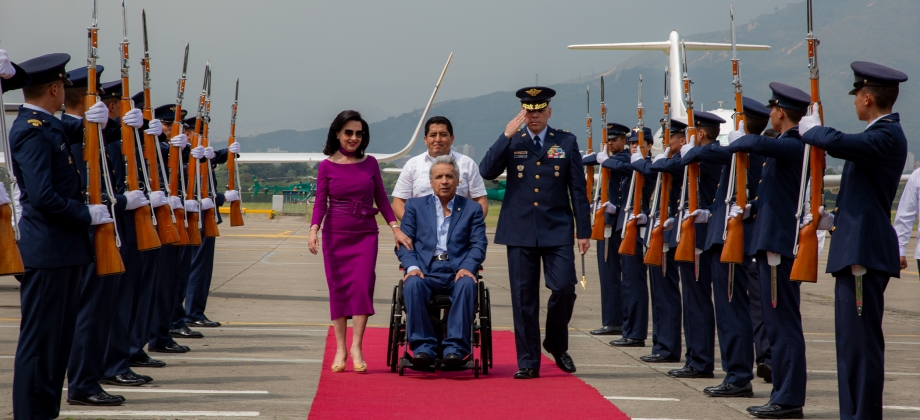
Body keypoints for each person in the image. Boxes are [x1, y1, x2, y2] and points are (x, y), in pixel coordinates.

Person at [799, 61, 908, 420]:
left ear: (866, 97)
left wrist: (814, 131)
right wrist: (835, 221)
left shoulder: (887, 134)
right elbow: (862, 194)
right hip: (854, 242)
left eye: (856, 97)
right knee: (850, 345)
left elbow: (839, 143)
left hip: (863, 251)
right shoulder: (879, 135)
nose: (855, 104)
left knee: (860, 346)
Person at [8, 52, 115, 418]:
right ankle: (29, 412)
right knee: (40, 343)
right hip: (47, 250)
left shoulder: (47, 124)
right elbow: (42, 196)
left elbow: (80, 131)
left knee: (56, 342)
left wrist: (105, 120)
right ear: (55, 88)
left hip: (63, 251)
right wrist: (86, 213)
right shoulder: (31, 130)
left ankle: (44, 410)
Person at [479, 87, 591, 379]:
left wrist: (584, 230)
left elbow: (577, 189)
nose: (534, 116)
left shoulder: (565, 141)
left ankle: (555, 342)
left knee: (565, 288)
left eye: (539, 110)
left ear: (549, 112)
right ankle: (528, 361)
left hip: (557, 229)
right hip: (519, 231)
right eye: (529, 111)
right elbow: (487, 171)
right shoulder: (513, 140)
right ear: (522, 113)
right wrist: (505, 135)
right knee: (523, 298)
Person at [726, 82, 808, 419]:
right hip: (769, 242)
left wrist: (738, 135)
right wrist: (752, 207)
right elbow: (775, 196)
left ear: (780, 112)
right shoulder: (784, 146)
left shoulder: (792, 143)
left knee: (782, 324)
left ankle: (788, 398)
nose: (771, 114)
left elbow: (752, 142)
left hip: (777, 246)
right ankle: (782, 394)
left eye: (774, 109)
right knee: (775, 325)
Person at [308, 110, 412, 372]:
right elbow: (321, 202)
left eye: (358, 133)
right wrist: (313, 230)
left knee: (363, 286)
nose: (354, 137)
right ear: (337, 134)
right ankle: (341, 348)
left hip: (365, 233)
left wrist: (395, 229)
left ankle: (357, 346)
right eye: (348, 132)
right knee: (339, 289)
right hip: (335, 234)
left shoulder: (371, 163)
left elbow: (382, 198)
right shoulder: (326, 166)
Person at [681, 110, 759, 398]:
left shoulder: (734, 152)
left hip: (730, 241)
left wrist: (691, 150)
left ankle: (739, 375)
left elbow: (700, 156)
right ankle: (734, 373)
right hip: (718, 236)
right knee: (727, 312)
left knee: (732, 311)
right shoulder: (734, 153)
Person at [396, 155, 487, 367]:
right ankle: (423, 348)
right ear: (431, 182)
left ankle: (455, 349)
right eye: (439, 177)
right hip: (426, 271)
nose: (444, 181)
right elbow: (404, 243)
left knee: (467, 284)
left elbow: (478, 244)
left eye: (449, 176)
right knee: (412, 284)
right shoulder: (415, 207)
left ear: (458, 181)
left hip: (457, 270)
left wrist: (467, 267)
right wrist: (412, 267)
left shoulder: (472, 209)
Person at [582, 123, 631, 337]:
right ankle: (611, 320)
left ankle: (617, 321)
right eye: (608, 140)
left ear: (624, 141)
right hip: (607, 220)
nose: (611, 143)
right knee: (606, 273)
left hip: (620, 222)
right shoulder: (609, 158)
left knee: (615, 274)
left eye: (614, 139)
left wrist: (603, 159)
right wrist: (593, 156)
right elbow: (583, 161)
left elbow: (620, 165)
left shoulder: (626, 158)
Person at [392, 116, 488, 219]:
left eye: (443, 135)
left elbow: (480, 200)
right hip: (420, 232)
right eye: (433, 135)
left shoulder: (467, 164)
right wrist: (414, 225)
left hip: (458, 230)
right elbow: (399, 202)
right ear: (425, 139)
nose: (437, 139)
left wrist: (471, 225)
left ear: (452, 138)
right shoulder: (412, 165)